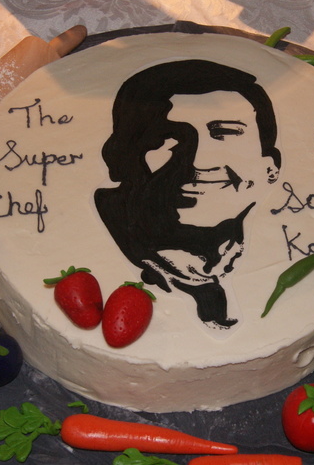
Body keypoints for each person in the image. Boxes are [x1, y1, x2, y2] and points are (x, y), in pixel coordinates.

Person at [95, 59, 282, 328]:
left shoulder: (277, 242)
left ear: (271, 168)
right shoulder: (93, 239)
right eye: (169, 136)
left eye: (224, 133)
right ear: (124, 155)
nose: (200, 163)